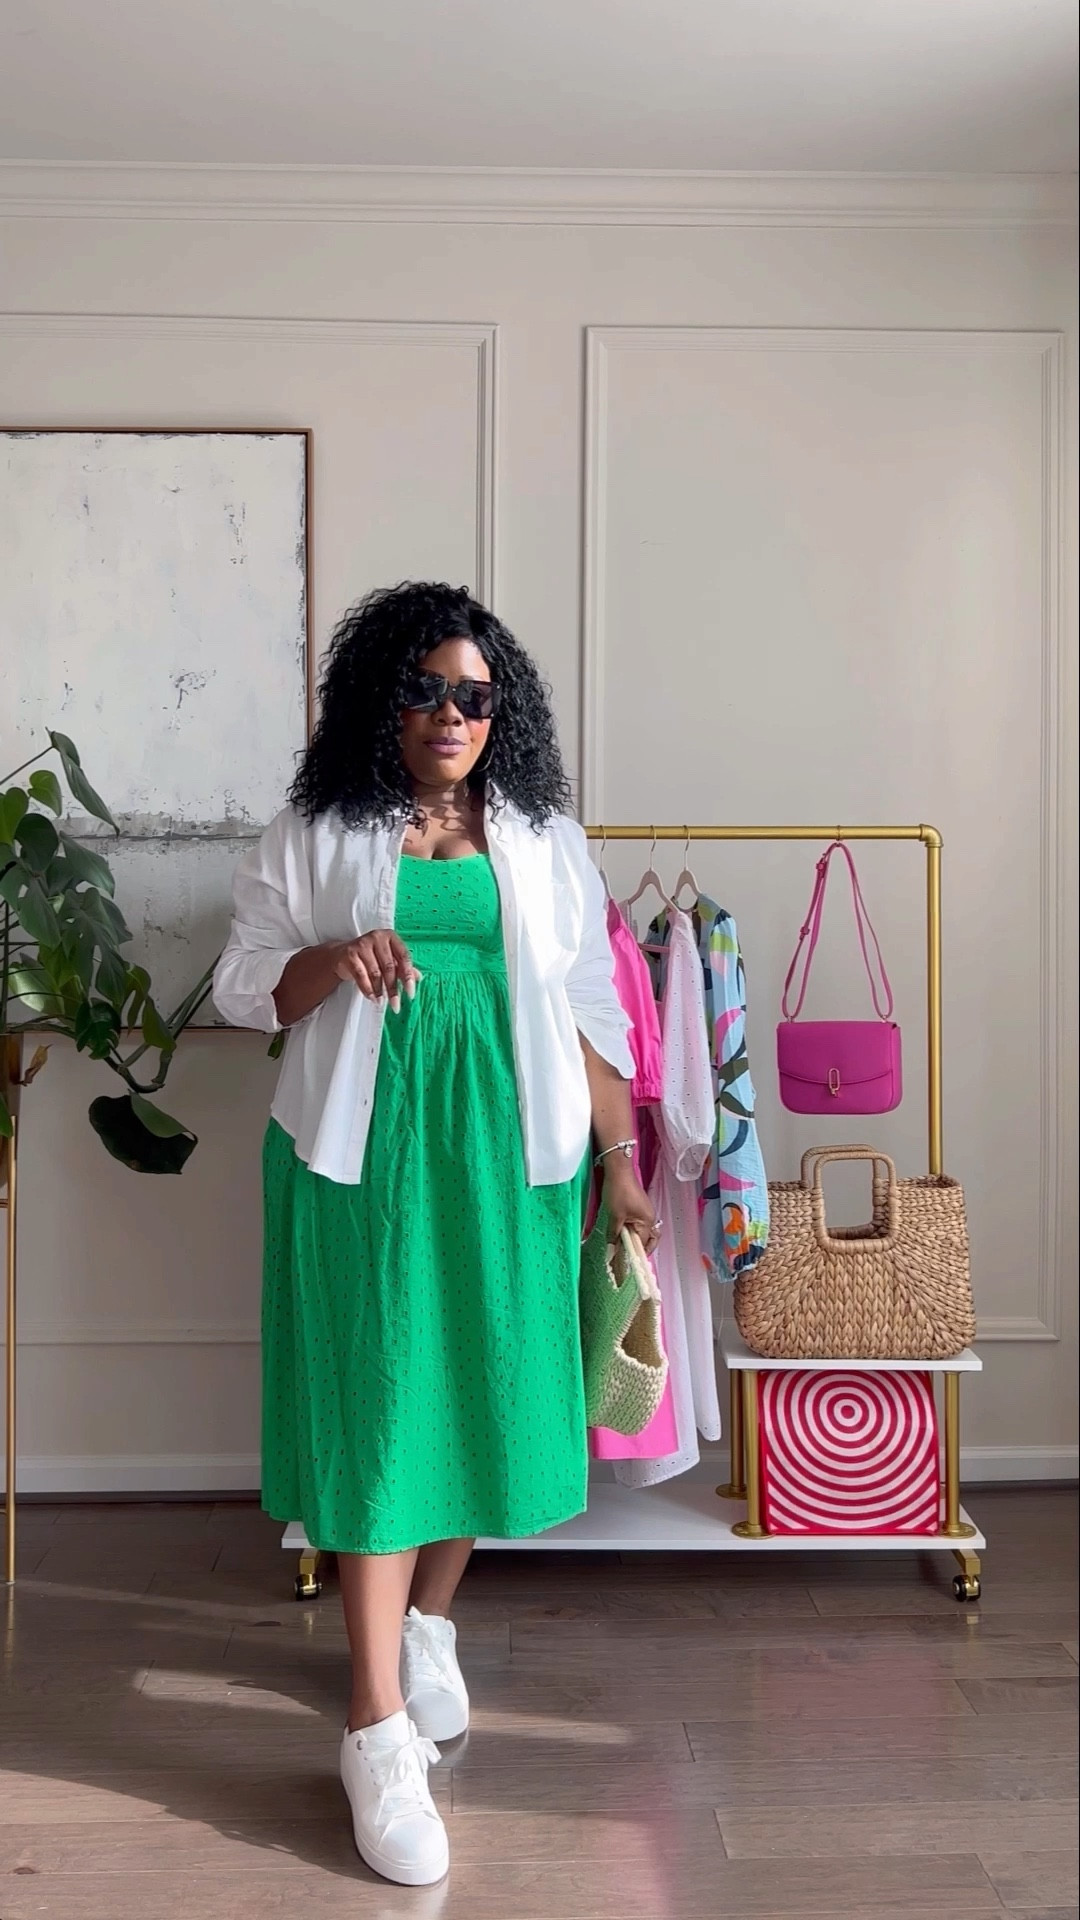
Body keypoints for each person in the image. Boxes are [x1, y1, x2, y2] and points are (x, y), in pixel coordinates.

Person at [213, 581, 657, 1887]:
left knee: (479, 1394)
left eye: (474, 694)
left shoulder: (537, 832)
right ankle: (371, 1726)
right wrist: (336, 955)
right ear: (380, 700)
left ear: (495, 707)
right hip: (363, 1157)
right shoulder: (319, 832)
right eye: (425, 690)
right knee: (382, 1411)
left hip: (510, 1158)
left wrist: (621, 1166)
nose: (451, 714)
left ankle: (426, 1630)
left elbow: (590, 1008)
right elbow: (247, 989)